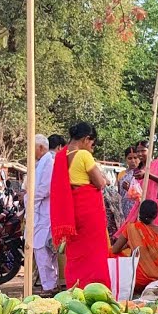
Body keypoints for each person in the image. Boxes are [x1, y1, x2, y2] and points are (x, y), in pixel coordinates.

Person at [51, 122, 110, 289]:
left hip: (72, 211)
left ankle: (76, 288)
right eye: (92, 142)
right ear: (86, 139)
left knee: (76, 253)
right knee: (95, 253)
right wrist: (104, 179)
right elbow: (99, 183)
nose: (92, 146)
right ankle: (96, 288)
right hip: (88, 211)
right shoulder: (84, 156)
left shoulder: (61, 155)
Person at [110, 200, 158, 291]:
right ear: (156, 215)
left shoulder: (131, 228)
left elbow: (115, 250)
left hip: (138, 280)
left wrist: (130, 244)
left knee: (109, 252)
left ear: (139, 213)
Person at [125, 139, 158, 234]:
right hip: (145, 207)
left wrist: (148, 175)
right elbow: (139, 194)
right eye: (138, 151)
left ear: (151, 150)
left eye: (143, 151)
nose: (140, 154)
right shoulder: (138, 169)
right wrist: (129, 189)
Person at [31, 135, 59, 293]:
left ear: (41, 148)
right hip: (40, 212)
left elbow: (44, 188)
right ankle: (49, 284)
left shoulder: (48, 162)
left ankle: (49, 286)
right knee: (43, 250)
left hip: (45, 213)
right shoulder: (41, 163)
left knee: (43, 249)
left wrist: (30, 200)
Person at [117, 147, 141, 221]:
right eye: (129, 158)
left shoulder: (141, 173)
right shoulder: (121, 174)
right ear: (126, 159)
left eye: (135, 158)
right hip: (123, 209)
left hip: (137, 209)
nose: (133, 161)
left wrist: (129, 189)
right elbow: (119, 194)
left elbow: (142, 194)